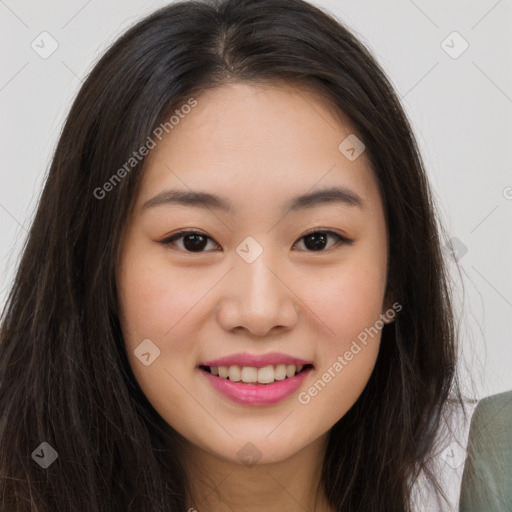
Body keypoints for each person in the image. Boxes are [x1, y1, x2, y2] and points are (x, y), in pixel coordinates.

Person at [0, 0, 473, 510]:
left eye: (317, 239)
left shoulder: (488, 477)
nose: (259, 311)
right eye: (193, 240)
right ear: (97, 265)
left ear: (397, 267)